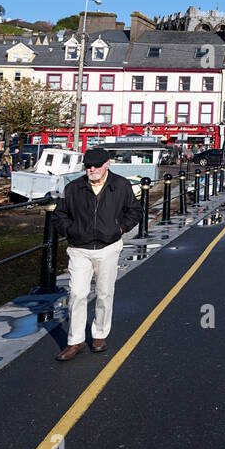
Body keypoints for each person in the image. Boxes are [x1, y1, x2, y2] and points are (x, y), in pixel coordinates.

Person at [52, 148, 142, 362]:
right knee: (77, 294)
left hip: (108, 247)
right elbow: (59, 215)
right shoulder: (73, 187)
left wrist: (120, 229)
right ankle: (75, 341)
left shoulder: (120, 185)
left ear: (107, 165)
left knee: (104, 293)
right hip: (79, 248)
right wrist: (71, 230)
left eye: (96, 166)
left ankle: (99, 335)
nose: (92, 169)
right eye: (88, 166)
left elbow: (135, 210)